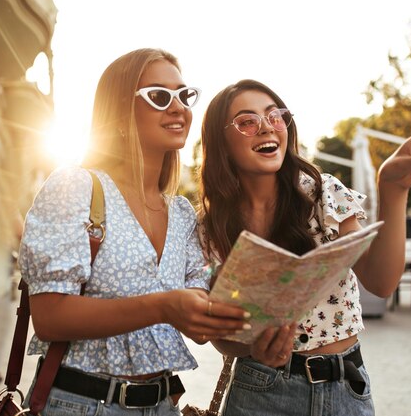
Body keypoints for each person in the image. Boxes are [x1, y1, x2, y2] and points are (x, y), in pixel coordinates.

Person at [197, 78, 411, 415]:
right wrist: (252, 347)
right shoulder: (209, 226)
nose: (266, 127)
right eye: (247, 122)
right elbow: (219, 335)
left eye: (275, 116)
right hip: (259, 390)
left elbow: (381, 281)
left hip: (345, 386)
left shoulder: (321, 192)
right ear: (221, 142)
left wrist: (394, 187)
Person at [18, 48, 248, 415]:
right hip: (81, 405)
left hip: (161, 404)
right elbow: (48, 318)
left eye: (184, 95)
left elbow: (198, 323)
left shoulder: (182, 213)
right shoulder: (76, 187)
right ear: (120, 113)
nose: (178, 108)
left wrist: (254, 323)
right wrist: (163, 307)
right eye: (159, 96)